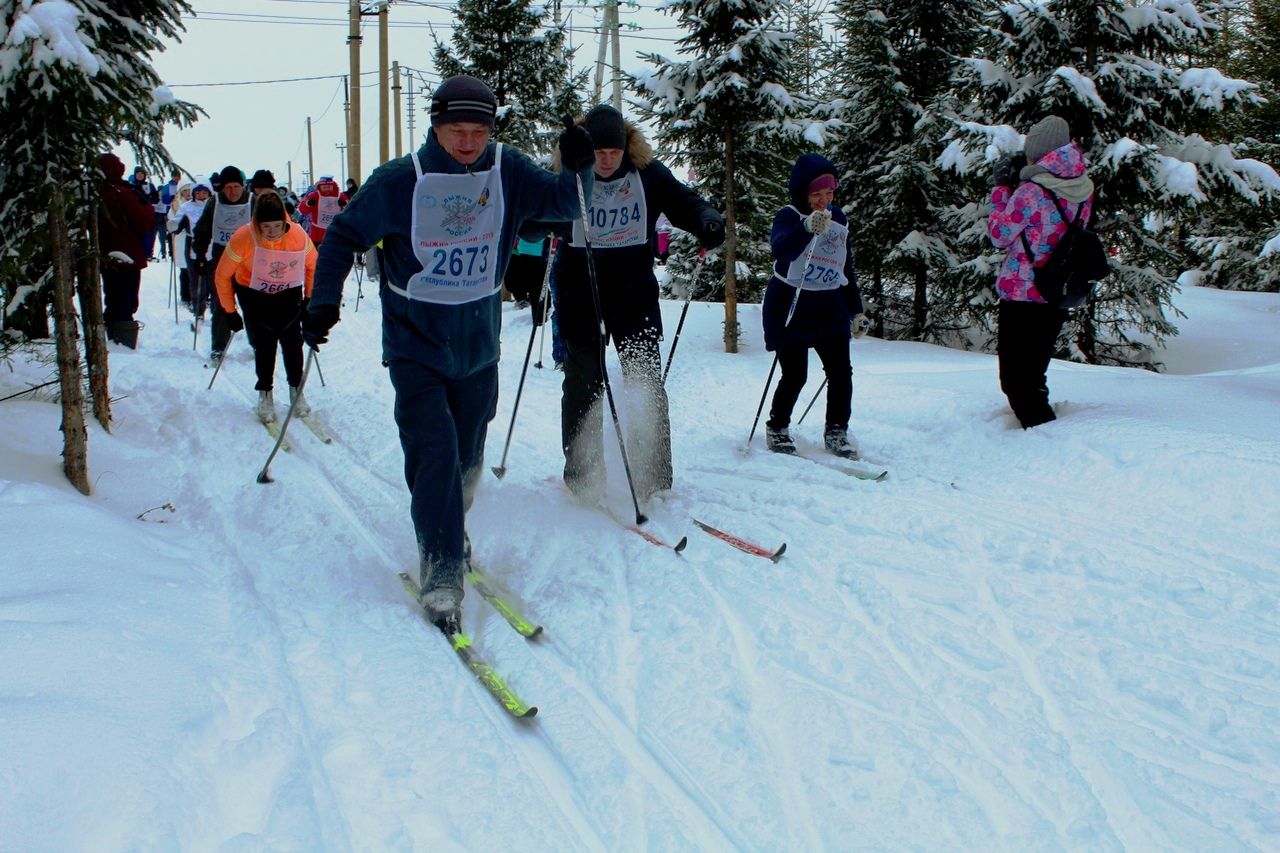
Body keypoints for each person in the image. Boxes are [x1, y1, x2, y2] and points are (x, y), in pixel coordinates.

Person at [300, 74, 596, 631]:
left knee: (465, 459)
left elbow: (563, 205)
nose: (467, 141)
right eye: (455, 129)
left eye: (478, 130)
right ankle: (440, 567)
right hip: (415, 342)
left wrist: (575, 166)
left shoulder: (507, 170)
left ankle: (447, 520)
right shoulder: (400, 180)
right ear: (435, 126)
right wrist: (323, 303)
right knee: (433, 452)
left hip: (480, 347)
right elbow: (342, 236)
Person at [551, 104, 724, 502]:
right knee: (583, 383)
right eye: (598, 152)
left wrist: (707, 220)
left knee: (645, 382)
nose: (606, 160)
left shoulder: (647, 174)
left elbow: (686, 202)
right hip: (582, 296)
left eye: (613, 152)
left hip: (633, 296)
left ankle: (654, 476)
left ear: (626, 149)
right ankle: (582, 475)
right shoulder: (572, 174)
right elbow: (541, 210)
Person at [987, 115, 1095, 429]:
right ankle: (1042, 423)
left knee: (1015, 380)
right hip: (1056, 289)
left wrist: (1001, 190)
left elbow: (999, 234)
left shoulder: (1031, 192)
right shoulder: (1084, 187)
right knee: (1035, 371)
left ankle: (1041, 438)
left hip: (1022, 291)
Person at [762, 153, 868, 458]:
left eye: (829, 193)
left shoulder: (840, 218)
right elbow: (782, 251)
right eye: (816, 194)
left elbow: (843, 267)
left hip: (828, 303)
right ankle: (778, 426)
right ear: (804, 193)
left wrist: (855, 310)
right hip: (791, 302)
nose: (824, 201)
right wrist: (806, 227)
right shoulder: (789, 215)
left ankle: (837, 430)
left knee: (841, 372)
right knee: (795, 374)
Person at [214, 190, 318, 423]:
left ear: (285, 222)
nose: (271, 232)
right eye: (266, 227)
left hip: (288, 293)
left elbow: (314, 266)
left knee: (293, 343)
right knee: (265, 345)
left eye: (277, 226)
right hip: (254, 295)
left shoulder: (299, 236)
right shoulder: (243, 238)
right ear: (257, 224)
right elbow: (222, 275)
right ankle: (265, 393)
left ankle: (296, 390)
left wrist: (310, 298)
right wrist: (230, 311)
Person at [191, 165, 251, 364]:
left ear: (242, 186)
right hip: (221, 257)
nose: (232, 191)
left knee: (252, 304)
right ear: (221, 188)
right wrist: (199, 255)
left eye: (236, 186)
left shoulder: (253, 201)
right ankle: (218, 347)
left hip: (248, 260)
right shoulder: (214, 203)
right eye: (228, 187)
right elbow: (202, 230)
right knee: (222, 303)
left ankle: (259, 343)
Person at [97, 153, 154, 348]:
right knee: (126, 300)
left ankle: (112, 334)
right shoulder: (122, 193)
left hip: (104, 254)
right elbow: (144, 221)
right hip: (128, 254)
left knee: (111, 296)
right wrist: (146, 205)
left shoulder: (95, 192)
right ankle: (123, 342)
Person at [165, 179, 194, 305]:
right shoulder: (176, 204)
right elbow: (171, 219)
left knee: (194, 269)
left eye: (189, 190)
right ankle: (186, 295)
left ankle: (197, 295)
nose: (188, 193)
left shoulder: (196, 203)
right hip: (181, 239)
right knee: (184, 269)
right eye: (185, 191)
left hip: (194, 239)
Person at [299, 175, 348, 245]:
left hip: (336, 232)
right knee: (318, 253)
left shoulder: (340, 196)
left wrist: (344, 205)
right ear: (320, 187)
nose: (326, 189)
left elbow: (350, 210)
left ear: (333, 186)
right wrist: (308, 204)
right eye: (324, 187)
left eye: (328, 187)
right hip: (317, 233)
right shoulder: (314, 195)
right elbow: (303, 210)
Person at [129, 166, 162, 261]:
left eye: (142, 173)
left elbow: (156, 199)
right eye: (138, 173)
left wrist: (150, 198)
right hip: (136, 215)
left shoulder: (149, 186)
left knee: (149, 235)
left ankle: (148, 253)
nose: (140, 175)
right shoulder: (131, 185)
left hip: (148, 214)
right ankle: (137, 252)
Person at [159, 168, 182, 259]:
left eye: (178, 178)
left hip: (181, 211)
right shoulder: (167, 187)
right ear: (172, 177)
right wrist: (173, 196)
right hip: (171, 212)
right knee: (171, 233)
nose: (176, 180)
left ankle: (178, 251)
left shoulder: (182, 185)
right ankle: (172, 252)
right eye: (175, 178)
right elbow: (164, 200)